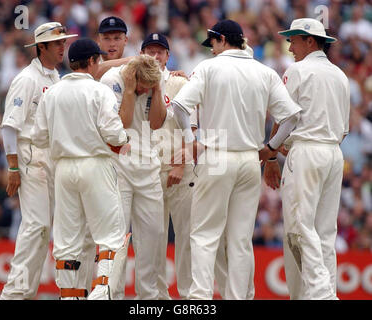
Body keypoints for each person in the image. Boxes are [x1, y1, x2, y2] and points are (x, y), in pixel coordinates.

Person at [171, 19, 301, 300]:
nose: (212, 50)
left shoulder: (209, 67)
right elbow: (291, 117)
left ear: (220, 39)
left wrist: (190, 140)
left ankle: (200, 299)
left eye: (213, 44)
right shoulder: (263, 71)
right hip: (250, 159)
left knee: (205, 235)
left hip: (217, 156)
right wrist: (271, 148)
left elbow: (180, 106)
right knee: (241, 240)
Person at [31, 38, 130, 300]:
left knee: (67, 240)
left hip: (63, 168)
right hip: (96, 164)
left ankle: (70, 296)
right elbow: (114, 133)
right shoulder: (100, 91)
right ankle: (101, 294)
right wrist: (124, 140)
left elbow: (39, 137)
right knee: (110, 236)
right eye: (98, 59)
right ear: (92, 61)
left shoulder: (51, 92)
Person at [264, 18, 350, 300]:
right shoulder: (340, 75)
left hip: (307, 152)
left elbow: (286, 116)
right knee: (324, 231)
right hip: (334, 154)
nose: (290, 47)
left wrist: (272, 150)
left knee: (300, 227)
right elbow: (344, 129)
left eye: (294, 40)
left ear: (310, 40)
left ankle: (321, 294)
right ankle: (323, 292)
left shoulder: (298, 70)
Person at [0, 22, 77, 300]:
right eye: (56, 43)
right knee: (36, 227)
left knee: (46, 230)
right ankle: (14, 293)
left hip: (53, 159)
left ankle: (25, 292)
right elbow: (9, 126)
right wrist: (13, 166)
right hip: (30, 157)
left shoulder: (57, 78)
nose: (62, 47)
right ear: (40, 47)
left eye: (63, 42)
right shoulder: (26, 79)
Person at [100, 54, 170, 299]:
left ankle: (148, 299)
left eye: (148, 87)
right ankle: (113, 294)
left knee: (153, 237)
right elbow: (121, 125)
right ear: (133, 75)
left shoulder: (152, 83)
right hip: (118, 165)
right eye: (143, 85)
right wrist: (130, 91)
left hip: (148, 165)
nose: (144, 90)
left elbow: (157, 123)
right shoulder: (112, 81)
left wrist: (157, 88)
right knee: (117, 237)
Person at [140, 33, 195, 299]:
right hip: (148, 172)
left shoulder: (180, 82)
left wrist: (181, 165)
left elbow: (192, 130)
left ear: (167, 56)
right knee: (153, 238)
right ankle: (158, 297)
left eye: (159, 51)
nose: (154, 56)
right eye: (149, 51)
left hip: (178, 171)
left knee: (186, 236)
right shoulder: (131, 84)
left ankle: (187, 295)